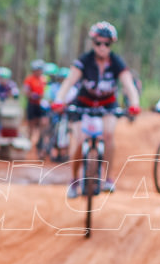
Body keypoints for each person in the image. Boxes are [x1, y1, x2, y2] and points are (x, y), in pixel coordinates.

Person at [51, 21, 140, 196]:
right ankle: (74, 180)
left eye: (106, 44)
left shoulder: (116, 62)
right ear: (93, 43)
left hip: (108, 104)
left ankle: (108, 178)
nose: (102, 47)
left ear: (111, 45)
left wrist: (135, 104)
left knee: (108, 135)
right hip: (83, 103)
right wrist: (59, 100)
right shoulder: (84, 61)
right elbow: (69, 82)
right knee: (78, 140)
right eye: (98, 43)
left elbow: (129, 84)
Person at [22, 60, 47, 153]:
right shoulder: (29, 79)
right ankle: (28, 143)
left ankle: (40, 143)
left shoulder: (44, 79)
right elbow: (26, 91)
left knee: (42, 123)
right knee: (31, 124)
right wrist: (32, 95)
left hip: (41, 104)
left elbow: (46, 91)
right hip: (32, 104)